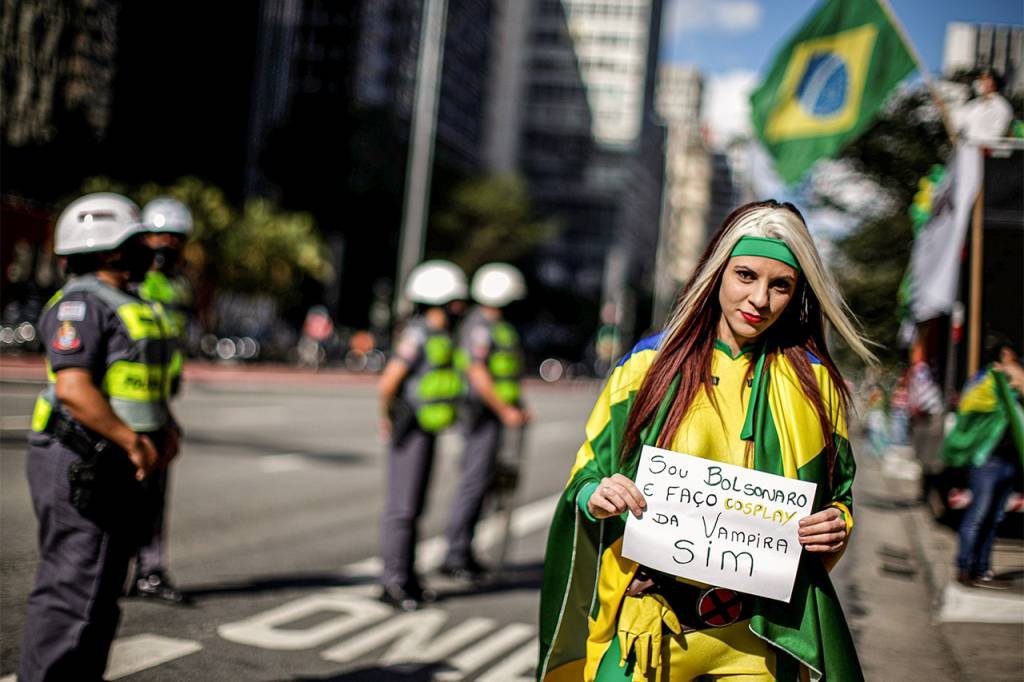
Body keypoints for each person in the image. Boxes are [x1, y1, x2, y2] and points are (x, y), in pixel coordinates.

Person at [538, 201, 872, 682]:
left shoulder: (817, 388)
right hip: (648, 623)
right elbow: (586, 476)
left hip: (760, 637)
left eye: (781, 285)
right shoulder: (646, 367)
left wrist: (836, 524)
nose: (760, 299)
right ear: (717, 273)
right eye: (745, 275)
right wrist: (598, 494)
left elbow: (839, 499)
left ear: (798, 294)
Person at [19, 193, 179, 681]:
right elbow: (73, 388)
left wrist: (166, 429)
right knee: (71, 594)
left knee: (100, 597)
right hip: (80, 459)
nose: (148, 248)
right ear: (108, 250)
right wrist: (132, 441)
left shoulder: (131, 301)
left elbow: (138, 381)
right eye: (135, 240)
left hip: (118, 462)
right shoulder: (81, 303)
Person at [378, 260, 467, 611]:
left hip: (427, 429)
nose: (461, 306)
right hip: (410, 427)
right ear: (440, 298)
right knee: (402, 509)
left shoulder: (441, 334)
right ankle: (393, 581)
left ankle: (408, 576)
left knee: (415, 507)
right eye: (456, 299)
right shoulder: (417, 333)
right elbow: (388, 382)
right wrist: (386, 419)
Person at [125, 196, 196, 605]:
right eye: (159, 236)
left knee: (154, 490)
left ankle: (149, 571)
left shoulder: (177, 285)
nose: (167, 245)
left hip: (159, 396)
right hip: (128, 397)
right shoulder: (132, 279)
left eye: (175, 238)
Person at [440, 263, 530, 581]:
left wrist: (514, 407)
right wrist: (505, 409)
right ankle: (455, 554)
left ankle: (466, 550)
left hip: (496, 416)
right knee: (473, 482)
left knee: (486, 485)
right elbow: (477, 372)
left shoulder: (497, 325)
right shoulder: (478, 325)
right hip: (480, 415)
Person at [942, 340, 1024, 589]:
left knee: (994, 518)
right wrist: (1008, 377)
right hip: (987, 460)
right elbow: (970, 404)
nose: (1014, 361)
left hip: (1009, 462)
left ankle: (982, 568)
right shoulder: (988, 382)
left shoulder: (1013, 387)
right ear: (998, 359)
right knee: (979, 514)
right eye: (1009, 357)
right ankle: (964, 567)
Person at [954, 69, 1014, 143]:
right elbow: (957, 123)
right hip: (967, 149)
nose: (979, 82)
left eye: (984, 79)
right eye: (980, 79)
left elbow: (998, 134)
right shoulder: (972, 104)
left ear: (994, 83)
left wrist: (977, 142)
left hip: (986, 150)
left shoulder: (1002, 107)